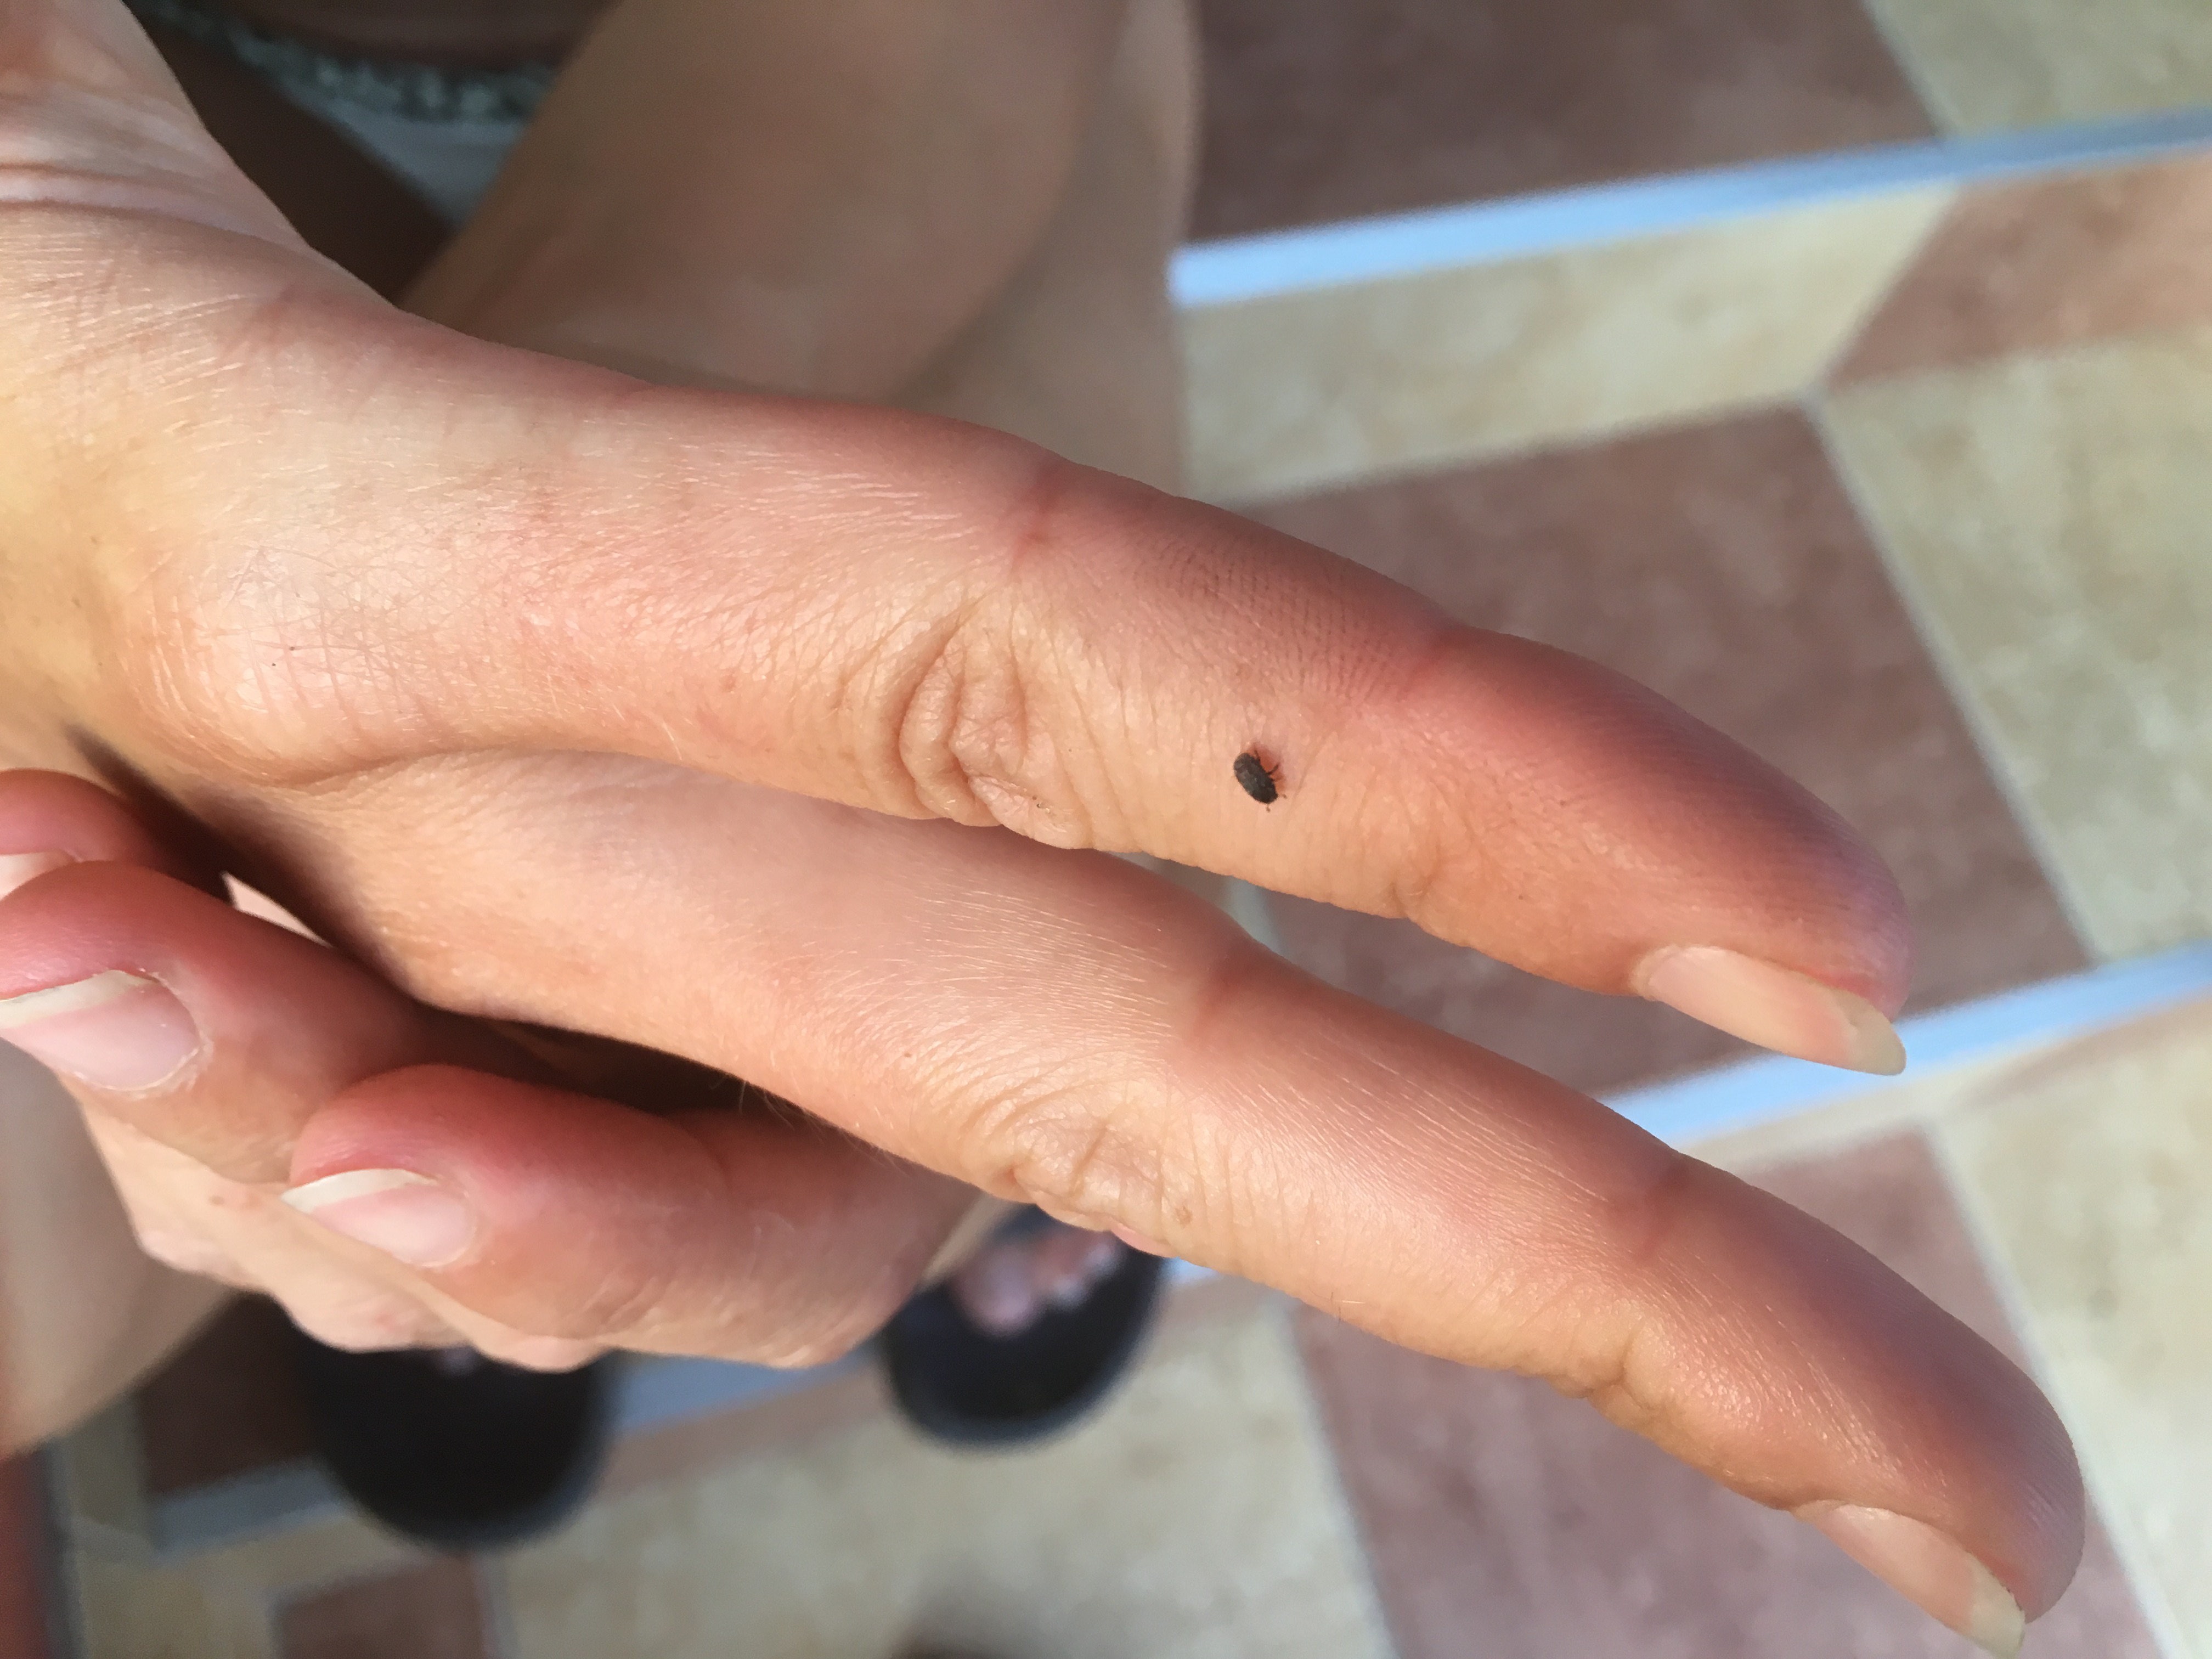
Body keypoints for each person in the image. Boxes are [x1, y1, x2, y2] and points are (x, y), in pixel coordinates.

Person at [0, 0, 2077, 1649]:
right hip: (166, 102)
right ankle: (588, 1047)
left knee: (937, 855)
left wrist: (609, 473)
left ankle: (601, 1048)